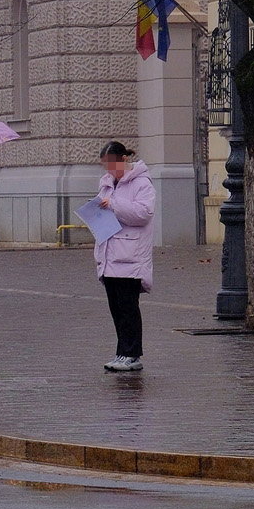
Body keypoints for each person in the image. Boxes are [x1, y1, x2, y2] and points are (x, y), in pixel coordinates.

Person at [93, 140, 155, 372]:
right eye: (105, 165)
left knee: (129, 307)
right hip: (109, 252)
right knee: (116, 308)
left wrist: (114, 205)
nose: (109, 170)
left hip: (130, 254)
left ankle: (132, 354)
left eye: (112, 164)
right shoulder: (107, 183)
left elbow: (143, 213)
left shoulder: (142, 183)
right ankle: (122, 351)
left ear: (124, 159)